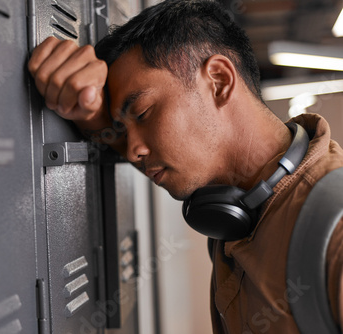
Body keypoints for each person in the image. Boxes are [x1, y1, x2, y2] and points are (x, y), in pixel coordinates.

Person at [28, 0, 343, 332]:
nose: (133, 150)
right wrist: (89, 113)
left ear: (219, 80)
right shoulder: (241, 202)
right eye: (124, 129)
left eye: (143, 113)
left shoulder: (334, 229)